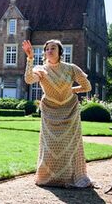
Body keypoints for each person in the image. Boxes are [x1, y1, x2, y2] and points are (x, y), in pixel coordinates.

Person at [22, 39, 93, 188]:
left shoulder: (71, 68)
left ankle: (69, 177)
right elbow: (29, 79)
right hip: (49, 112)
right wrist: (30, 58)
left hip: (70, 111)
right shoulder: (41, 69)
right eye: (47, 49)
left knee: (69, 145)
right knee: (51, 145)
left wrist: (72, 90)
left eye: (53, 48)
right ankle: (48, 178)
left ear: (60, 52)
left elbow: (87, 86)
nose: (49, 51)